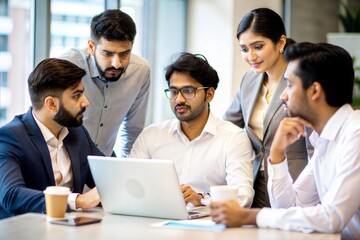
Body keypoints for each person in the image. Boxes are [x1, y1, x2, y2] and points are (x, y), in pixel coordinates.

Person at [211, 42, 360, 239]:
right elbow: (290, 206)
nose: (283, 95)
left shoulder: (355, 133)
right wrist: (277, 154)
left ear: (314, 91)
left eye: (289, 85)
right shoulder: (324, 141)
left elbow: (332, 217)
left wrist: (250, 216)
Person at [129, 53, 255, 208]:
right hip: (156, 221)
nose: (179, 99)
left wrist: (201, 199)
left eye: (188, 91)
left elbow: (243, 197)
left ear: (209, 94)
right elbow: (129, 183)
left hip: (209, 227)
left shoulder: (234, 138)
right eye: (174, 92)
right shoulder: (152, 135)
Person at [224, 8, 312, 208]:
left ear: (280, 42)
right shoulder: (249, 79)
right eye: (244, 49)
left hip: (295, 183)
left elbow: (315, 147)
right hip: (254, 183)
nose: (251, 56)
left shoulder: (302, 79)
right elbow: (229, 126)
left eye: (258, 46)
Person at [0, 58, 103, 219]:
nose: (86, 102)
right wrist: (77, 200)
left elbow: (106, 177)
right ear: (51, 104)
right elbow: (11, 195)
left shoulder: (78, 133)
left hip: (71, 230)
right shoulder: (10, 137)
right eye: (76, 95)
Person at [60, 9, 151, 157]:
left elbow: (133, 131)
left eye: (124, 54)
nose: (116, 64)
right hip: (64, 164)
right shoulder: (67, 64)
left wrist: (126, 171)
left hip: (104, 162)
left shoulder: (141, 72)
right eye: (107, 54)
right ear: (91, 46)